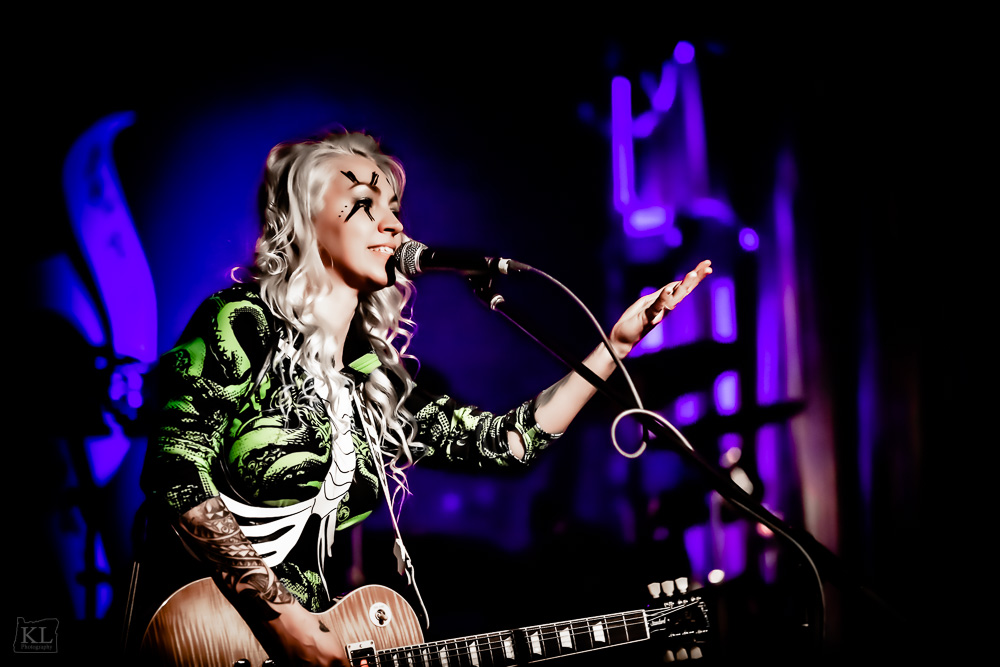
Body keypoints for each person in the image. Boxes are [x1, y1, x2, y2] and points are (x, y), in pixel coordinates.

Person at [138, 130, 712, 666]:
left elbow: (505, 444)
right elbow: (175, 474)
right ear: (307, 221)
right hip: (208, 632)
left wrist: (612, 348)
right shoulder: (242, 323)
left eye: (392, 208)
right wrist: (285, 624)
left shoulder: (375, 377)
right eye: (364, 203)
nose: (392, 225)